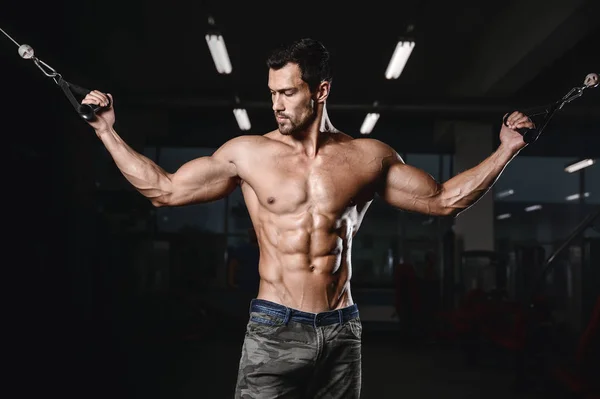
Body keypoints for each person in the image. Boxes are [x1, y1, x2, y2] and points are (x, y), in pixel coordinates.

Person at [81, 37, 533, 398]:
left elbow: (443, 200)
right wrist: (107, 131)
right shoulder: (248, 154)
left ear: (321, 91)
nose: (276, 104)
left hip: (342, 330)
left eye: (288, 92)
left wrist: (507, 149)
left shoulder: (366, 158)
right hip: (274, 326)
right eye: (272, 92)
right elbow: (164, 189)